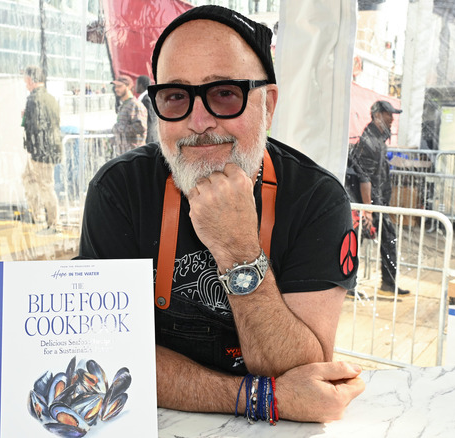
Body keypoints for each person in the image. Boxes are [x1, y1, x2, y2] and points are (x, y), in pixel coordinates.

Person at [78, 5, 364, 423]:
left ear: (268, 104)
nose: (198, 121)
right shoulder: (119, 190)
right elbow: (103, 355)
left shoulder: (317, 200)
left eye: (224, 93)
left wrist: (237, 247)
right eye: (175, 96)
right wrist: (258, 397)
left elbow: (304, 372)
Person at [346, 100, 411, 296]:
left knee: (385, 238)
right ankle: (348, 286)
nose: (392, 119)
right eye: (388, 114)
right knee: (355, 242)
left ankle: (388, 283)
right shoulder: (369, 141)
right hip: (365, 203)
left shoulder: (378, 139)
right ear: (377, 115)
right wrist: (367, 210)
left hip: (375, 202)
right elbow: (363, 177)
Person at [21, 65, 62, 234]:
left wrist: (24, 118)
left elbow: (35, 126)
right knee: (28, 178)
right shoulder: (51, 98)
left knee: (46, 186)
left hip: (41, 151)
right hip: (50, 148)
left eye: (26, 81)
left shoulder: (33, 99)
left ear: (31, 80)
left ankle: (53, 224)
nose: (25, 84)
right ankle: (37, 214)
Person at [109, 74, 147, 157]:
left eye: (119, 86)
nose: (116, 89)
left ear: (129, 86)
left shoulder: (135, 105)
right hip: (125, 154)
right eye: (115, 87)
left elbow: (140, 127)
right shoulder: (125, 105)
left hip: (134, 155)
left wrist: (119, 129)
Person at [135, 74, 159, 144]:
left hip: (149, 138)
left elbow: (150, 120)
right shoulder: (148, 97)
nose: (135, 86)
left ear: (140, 85)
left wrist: (147, 140)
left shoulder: (146, 100)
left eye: (136, 84)